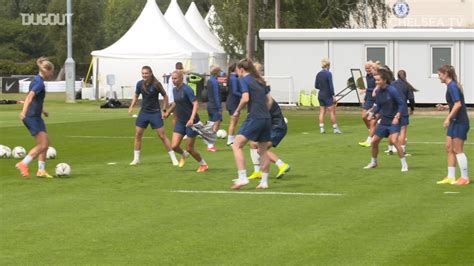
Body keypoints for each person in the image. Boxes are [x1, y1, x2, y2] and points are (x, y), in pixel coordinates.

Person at [231, 58, 272, 189]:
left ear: (242, 69)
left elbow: (245, 98)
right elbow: (269, 100)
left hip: (255, 117)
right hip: (266, 118)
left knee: (236, 145)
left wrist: (237, 111)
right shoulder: (260, 80)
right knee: (263, 150)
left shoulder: (244, 80)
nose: (237, 74)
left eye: (237, 71)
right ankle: (264, 182)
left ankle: (242, 177)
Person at [128, 66, 178, 166]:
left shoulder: (156, 84)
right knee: (138, 134)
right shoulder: (139, 84)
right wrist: (131, 106)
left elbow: (165, 96)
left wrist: (164, 110)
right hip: (143, 113)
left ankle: (174, 158)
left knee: (162, 136)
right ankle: (136, 159)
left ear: (151, 73)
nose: (144, 75)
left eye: (146, 73)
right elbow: (136, 96)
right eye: (143, 73)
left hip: (155, 113)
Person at [15, 57, 55, 178]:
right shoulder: (39, 82)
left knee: (46, 143)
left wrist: (43, 111)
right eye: (52, 71)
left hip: (36, 116)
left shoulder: (37, 80)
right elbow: (30, 97)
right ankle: (23, 163)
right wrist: (23, 112)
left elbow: (35, 99)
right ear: (46, 71)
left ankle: (41, 170)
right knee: (43, 145)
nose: (52, 73)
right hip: (31, 116)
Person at [363, 68, 408, 172]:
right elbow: (378, 105)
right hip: (384, 122)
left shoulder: (392, 90)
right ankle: (374, 162)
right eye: (375, 80)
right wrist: (372, 114)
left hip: (394, 122)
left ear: (384, 80)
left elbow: (402, 104)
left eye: (378, 80)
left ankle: (404, 164)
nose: (376, 82)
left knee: (394, 141)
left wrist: (397, 117)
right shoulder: (378, 91)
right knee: (374, 142)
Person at [163, 70, 208, 172]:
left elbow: (196, 104)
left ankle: (203, 164)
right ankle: (184, 154)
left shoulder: (187, 89)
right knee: (174, 146)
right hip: (181, 121)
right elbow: (175, 103)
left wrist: (192, 119)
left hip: (192, 122)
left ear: (181, 79)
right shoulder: (175, 90)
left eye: (175, 78)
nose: (173, 81)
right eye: (172, 79)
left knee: (189, 148)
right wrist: (168, 113)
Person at [436, 65, 470, 185]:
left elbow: (458, 104)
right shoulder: (451, 86)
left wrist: (448, 118)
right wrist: (445, 107)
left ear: (445, 74)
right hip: (455, 121)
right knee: (449, 148)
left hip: (460, 122)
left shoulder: (453, 86)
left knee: (457, 149)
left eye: (439, 74)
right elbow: (454, 104)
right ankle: (451, 176)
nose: (438, 77)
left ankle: (465, 178)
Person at [248, 97, 291, 180]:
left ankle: (282, 165)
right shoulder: (260, 98)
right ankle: (257, 172)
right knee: (253, 143)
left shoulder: (263, 100)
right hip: (272, 127)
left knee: (261, 150)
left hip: (276, 128)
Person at [391, 70, 415, 155]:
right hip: (403, 109)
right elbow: (411, 99)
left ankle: (392, 148)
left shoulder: (392, 84)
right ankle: (402, 150)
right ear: (406, 76)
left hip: (393, 109)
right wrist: (412, 109)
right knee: (403, 130)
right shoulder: (407, 85)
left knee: (394, 128)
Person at [315, 59, 342, 134]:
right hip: (327, 95)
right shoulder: (328, 73)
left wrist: (322, 87)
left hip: (320, 94)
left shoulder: (318, 74)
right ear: (328, 65)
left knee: (322, 112)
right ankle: (335, 128)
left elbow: (316, 86)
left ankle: (321, 128)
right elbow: (331, 86)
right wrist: (333, 95)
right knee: (332, 112)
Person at [359, 61, 377, 147]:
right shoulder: (367, 76)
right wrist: (365, 98)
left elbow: (375, 88)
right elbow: (370, 88)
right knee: (363, 116)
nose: (367, 70)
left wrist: (366, 90)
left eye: (369, 68)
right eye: (366, 68)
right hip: (369, 99)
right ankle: (371, 130)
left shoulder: (376, 76)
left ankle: (371, 137)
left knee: (374, 121)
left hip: (376, 99)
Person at [205, 65, 222, 152]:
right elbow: (216, 95)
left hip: (209, 105)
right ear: (217, 72)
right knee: (216, 125)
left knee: (211, 124)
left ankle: (209, 144)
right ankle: (210, 145)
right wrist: (220, 108)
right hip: (215, 106)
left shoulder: (209, 81)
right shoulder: (215, 82)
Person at [225, 63, 242, 146]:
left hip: (233, 101)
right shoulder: (234, 79)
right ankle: (230, 139)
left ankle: (232, 138)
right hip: (233, 102)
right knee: (233, 121)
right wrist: (244, 95)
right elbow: (235, 91)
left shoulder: (232, 78)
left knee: (235, 121)